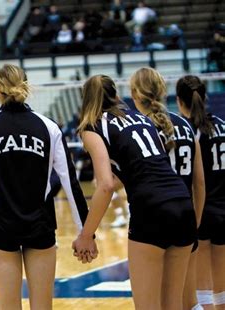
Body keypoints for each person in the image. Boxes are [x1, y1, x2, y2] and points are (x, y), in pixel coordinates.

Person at [0, 64, 90, 310]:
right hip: (41, 224)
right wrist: (86, 234)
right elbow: (71, 182)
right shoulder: (49, 126)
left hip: (1, 225)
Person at [73, 75, 197, 309]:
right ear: (116, 94)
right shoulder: (141, 117)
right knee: (173, 305)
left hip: (151, 208)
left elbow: (106, 185)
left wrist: (86, 235)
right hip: (182, 202)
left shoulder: (92, 127)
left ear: (87, 100)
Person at [131, 68, 206, 309]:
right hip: (185, 217)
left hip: (154, 216)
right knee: (181, 301)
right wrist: (196, 221)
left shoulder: (139, 128)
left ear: (134, 93)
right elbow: (200, 182)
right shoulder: (185, 125)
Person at [175, 75, 225, 309]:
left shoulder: (188, 131)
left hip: (203, 210)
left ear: (178, 101)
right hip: (224, 209)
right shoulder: (223, 126)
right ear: (205, 98)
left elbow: (197, 181)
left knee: (201, 284)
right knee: (222, 284)